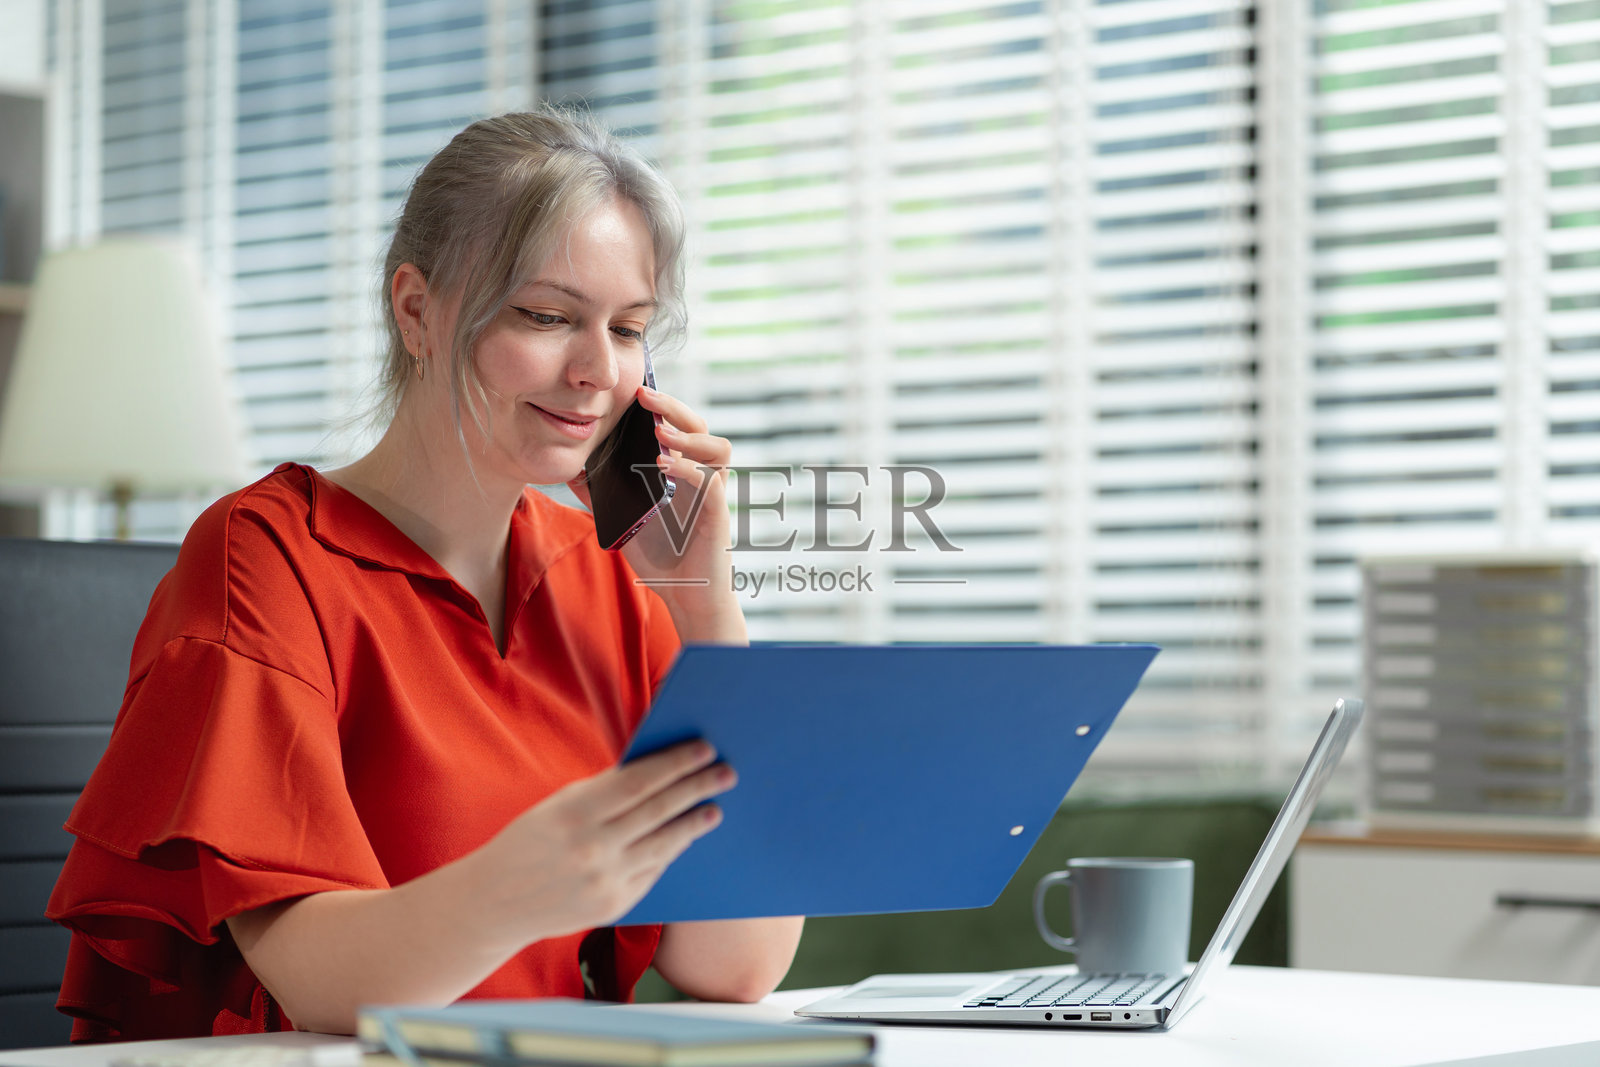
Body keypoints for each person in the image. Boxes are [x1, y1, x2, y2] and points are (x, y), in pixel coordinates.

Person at [46, 108, 804, 1041]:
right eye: (547, 316)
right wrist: (524, 885)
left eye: (628, 327)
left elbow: (736, 963)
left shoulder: (611, 577)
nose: (597, 371)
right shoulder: (267, 556)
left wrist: (705, 605)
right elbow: (320, 985)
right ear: (416, 311)